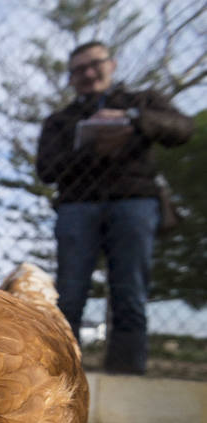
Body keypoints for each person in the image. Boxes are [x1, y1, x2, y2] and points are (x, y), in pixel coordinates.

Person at [36, 41, 193, 375]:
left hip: (134, 201)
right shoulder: (60, 120)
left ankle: (126, 379)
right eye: (78, 70)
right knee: (70, 295)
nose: (88, 74)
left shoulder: (142, 102)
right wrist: (90, 145)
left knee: (131, 293)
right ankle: (60, 378)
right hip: (78, 206)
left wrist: (133, 120)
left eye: (95, 64)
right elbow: (46, 169)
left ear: (113, 63)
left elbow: (183, 129)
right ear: (70, 78)